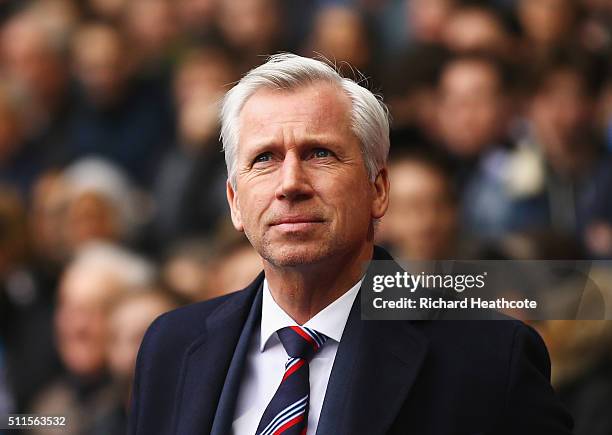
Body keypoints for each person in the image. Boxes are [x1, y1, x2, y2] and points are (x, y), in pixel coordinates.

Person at [129, 53, 573, 434]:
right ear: (234, 202)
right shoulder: (170, 348)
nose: (290, 184)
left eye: (319, 153)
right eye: (264, 159)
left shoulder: (491, 358)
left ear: (378, 189)